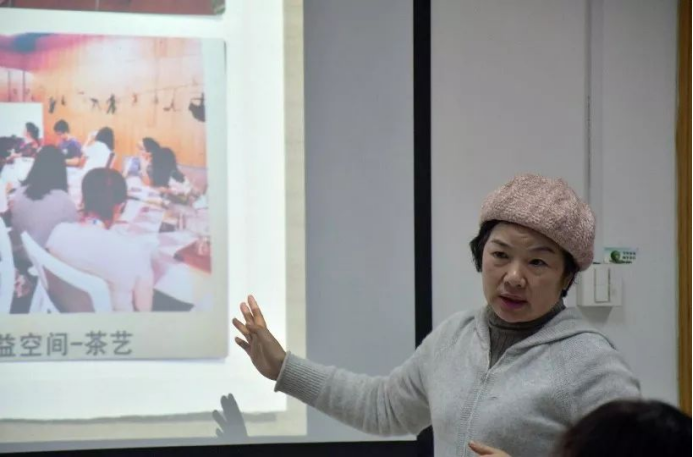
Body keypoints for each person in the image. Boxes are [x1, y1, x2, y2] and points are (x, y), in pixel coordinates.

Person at [232, 174, 641, 457]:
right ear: (481, 255)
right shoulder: (454, 337)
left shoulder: (589, 363)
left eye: (537, 262)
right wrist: (285, 368)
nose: (514, 277)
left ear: (566, 276)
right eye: (500, 255)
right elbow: (383, 407)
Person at [46, 168, 154, 312]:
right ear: (119, 207)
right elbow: (144, 309)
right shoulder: (135, 253)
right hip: (114, 324)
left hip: (62, 311)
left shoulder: (59, 232)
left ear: (83, 199)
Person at [9, 146, 79, 262]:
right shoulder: (64, 201)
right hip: (42, 260)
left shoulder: (20, 191)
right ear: (61, 170)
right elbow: (71, 235)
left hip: (17, 253)